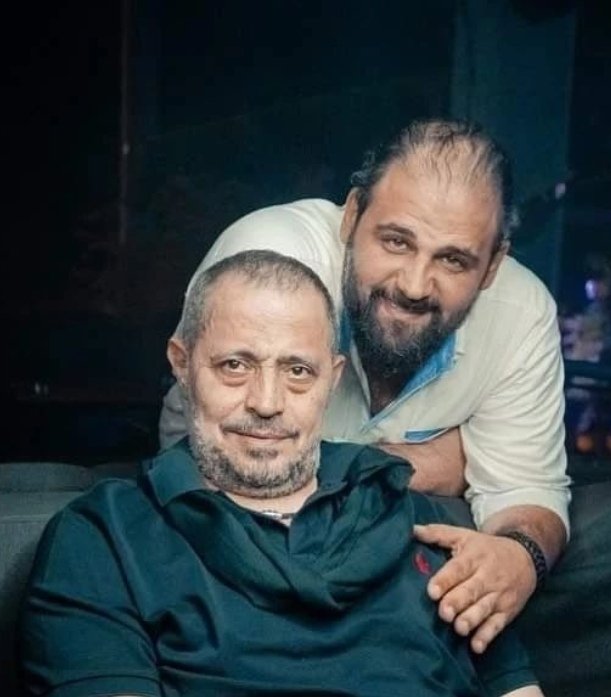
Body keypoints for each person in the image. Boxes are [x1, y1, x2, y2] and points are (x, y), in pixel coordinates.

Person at [19, 250, 544, 697]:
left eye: (297, 371)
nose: (267, 403)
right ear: (182, 364)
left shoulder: (415, 518)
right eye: (235, 365)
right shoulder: (107, 537)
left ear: (331, 379)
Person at [159, 119, 570, 653]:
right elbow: (234, 460)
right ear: (352, 216)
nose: (414, 285)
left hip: (382, 576)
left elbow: (527, 490)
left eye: (453, 259)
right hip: (217, 532)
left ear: (493, 264)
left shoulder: (522, 313)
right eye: (396, 241)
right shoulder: (269, 262)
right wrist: (430, 464)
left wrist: (521, 556)